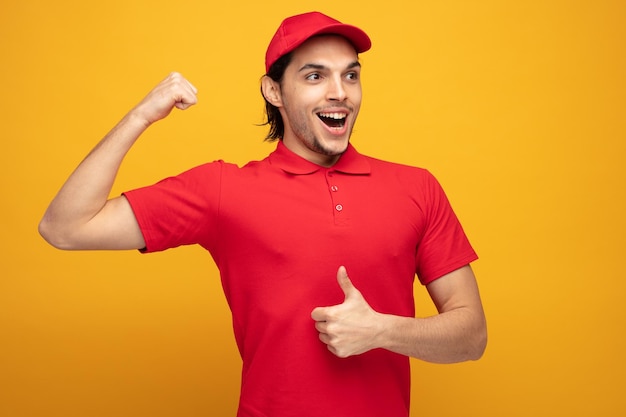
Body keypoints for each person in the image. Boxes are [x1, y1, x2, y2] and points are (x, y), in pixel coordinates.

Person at [39, 11, 487, 417]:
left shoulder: (416, 187)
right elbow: (65, 227)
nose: (339, 93)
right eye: (315, 76)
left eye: (350, 76)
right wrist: (139, 117)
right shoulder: (223, 189)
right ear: (273, 90)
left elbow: (471, 336)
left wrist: (383, 332)